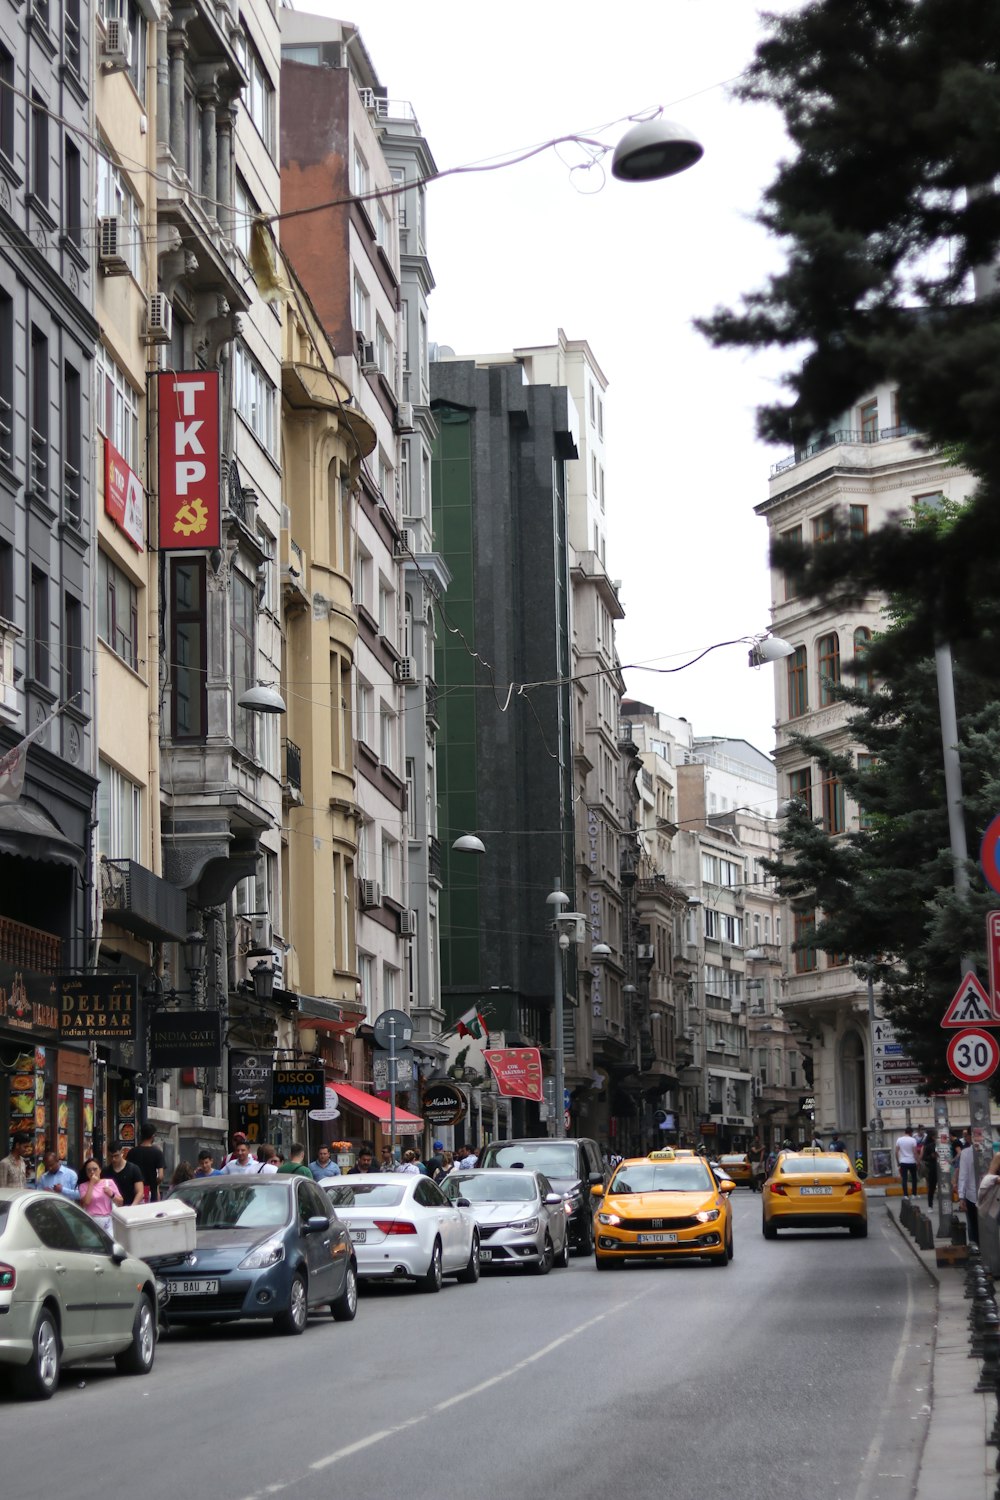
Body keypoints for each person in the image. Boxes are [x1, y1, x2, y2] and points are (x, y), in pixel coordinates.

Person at [79, 1158, 123, 1233]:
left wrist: (111, 1194)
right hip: (91, 1220)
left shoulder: (109, 1182)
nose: (92, 1172)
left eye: (95, 1169)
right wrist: (91, 1184)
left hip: (107, 1220)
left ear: (100, 1170)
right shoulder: (83, 1186)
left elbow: (121, 1202)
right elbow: (86, 1203)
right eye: (89, 1170)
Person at [127, 1121, 166, 1202]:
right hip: (151, 1191)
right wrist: (155, 1184)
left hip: (135, 1191)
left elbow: (128, 1171)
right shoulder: (157, 1153)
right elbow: (160, 1176)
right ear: (152, 1136)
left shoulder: (132, 1152)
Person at [957, 1134, 980, 1245]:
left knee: (974, 1225)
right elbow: (963, 1175)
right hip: (974, 1196)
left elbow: (963, 1176)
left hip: (975, 1195)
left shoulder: (966, 1153)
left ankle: (977, 1250)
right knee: (975, 1225)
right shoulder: (966, 1153)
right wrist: (961, 1197)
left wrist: (961, 1196)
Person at [895, 1128, 919, 1197]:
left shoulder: (899, 1140)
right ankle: (914, 1194)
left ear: (905, 1132)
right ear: (911, 1132)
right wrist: (918, 1161)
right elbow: (915, 1152)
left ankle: (905, 1195)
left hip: (903, 1162)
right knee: (914, 1178)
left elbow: (896, 1152)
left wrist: (898, 1162)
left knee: (904, 1179)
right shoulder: (913, 1140)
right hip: (912, 1162)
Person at [922, 1129, 939, 1211]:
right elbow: (924, 1157)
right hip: (933, 1168)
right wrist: (931, 1156)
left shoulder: (944, 1146)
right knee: (931, 1187)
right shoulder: (930, 1146)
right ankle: (930, 1205)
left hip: (943, 1168)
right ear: (933, 1137)